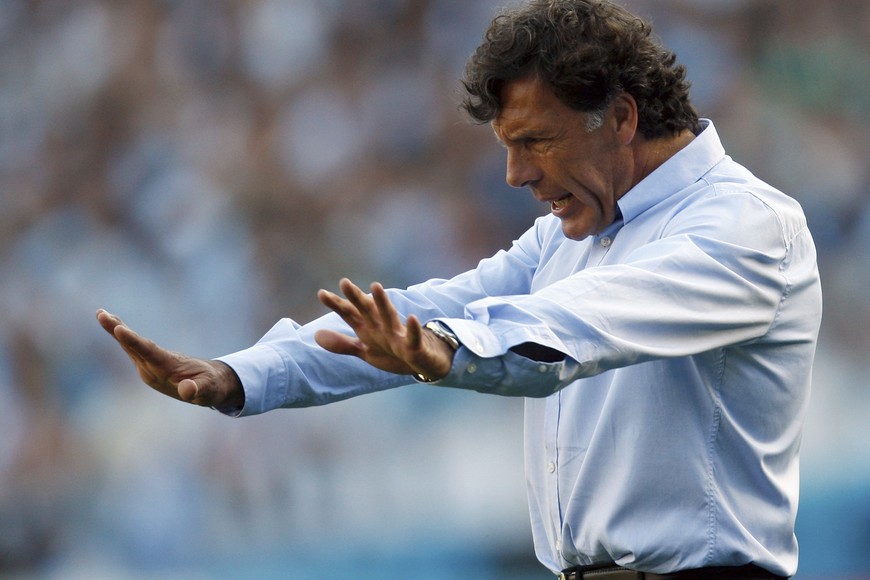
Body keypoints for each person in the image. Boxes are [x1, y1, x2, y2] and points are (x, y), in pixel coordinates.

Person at [96, 0, 822, 578]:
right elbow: (427, 315)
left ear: (623, 116)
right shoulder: (568, 237)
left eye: (535, 141)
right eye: (507, 146)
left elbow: (579, 328)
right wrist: (240, 376)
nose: (515, 175)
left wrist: (447, 351)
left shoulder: (749, 229)